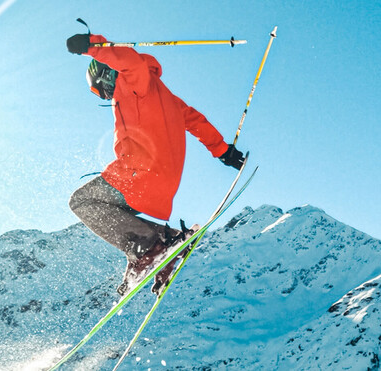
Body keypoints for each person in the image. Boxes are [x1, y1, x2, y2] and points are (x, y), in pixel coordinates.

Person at [66, 32, 246, 296]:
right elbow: (195, 121)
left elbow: (130, 61)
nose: (104, 96)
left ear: (105, 74)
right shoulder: (166, 98)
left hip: (138, 175)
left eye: (99, 89)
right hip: (165, 182)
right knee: (112, 212)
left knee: (82, 202)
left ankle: (151, 246)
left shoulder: (134, 83)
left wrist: (91, 45)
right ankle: (162, 244)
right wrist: (222, 151)